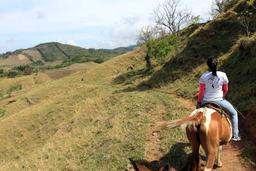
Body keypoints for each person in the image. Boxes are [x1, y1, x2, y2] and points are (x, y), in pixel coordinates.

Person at [197, 57, 241, 141]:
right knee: (234, 113)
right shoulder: (223, 75)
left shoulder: (203, 76)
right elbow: (226, 89)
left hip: (205, 101)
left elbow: (201, 92)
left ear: (207, 66)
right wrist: (222, 96)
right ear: (217, 64)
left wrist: (199, 102)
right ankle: (235, 135)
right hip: (219, 101)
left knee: (197, 116)